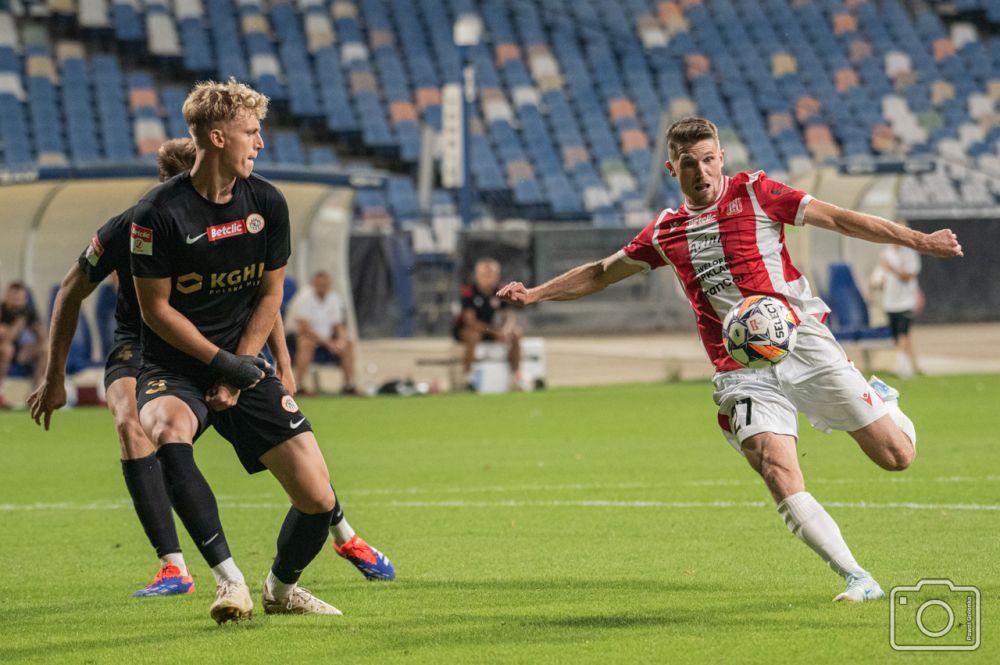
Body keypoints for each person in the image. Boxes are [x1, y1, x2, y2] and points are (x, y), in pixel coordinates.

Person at [498, 117, 962, 602]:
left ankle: (880, 399)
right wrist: (535, 295)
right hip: (740, 369)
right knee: (774, 465)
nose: (701, 172)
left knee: (896, 457)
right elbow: (600, 273)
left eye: (708, 159)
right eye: (688, 164)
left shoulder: (758, 194)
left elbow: (841, 218)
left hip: (802, 342)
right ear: (672, 169)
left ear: (721, 158)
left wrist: (920, 240)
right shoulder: (665, 232)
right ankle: (857, 576)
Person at [129, 80, 393, 623]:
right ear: (218, 137)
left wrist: (241, 367)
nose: (261, 143)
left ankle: (280, 589)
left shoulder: (267, 201)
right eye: (252, 132)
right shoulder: (156, 213)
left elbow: (271, 293)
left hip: (241, 359)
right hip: (173, 365)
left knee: (318, 497)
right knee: (167, 429)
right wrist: (220, 365)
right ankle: (231, 584)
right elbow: (156, 311)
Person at [453, 258, 521, 389]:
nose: (488, 278)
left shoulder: (501, 291)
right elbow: (470, 321)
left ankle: (516, 377)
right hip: (467, 329)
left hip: (491, 330)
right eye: (485, 275)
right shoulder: (469, 291)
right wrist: (496, 332)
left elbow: (509, 315)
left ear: (497, 276)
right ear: (477, 276)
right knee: (473, 336)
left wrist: (505, 330)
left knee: (516, 334)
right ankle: (468, 378)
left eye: (491, 275)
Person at [286, 271, 357, 394]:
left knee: (348, 344)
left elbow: (338, 325)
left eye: (325, 285)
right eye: (320, 285)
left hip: (326, 340)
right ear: (314, 284)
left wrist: (341, 340)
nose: (323, 288)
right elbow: (304, 328)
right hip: (299, 338)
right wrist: (329, 343)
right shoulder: (304, 297)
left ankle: (349, 385)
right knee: (305, 343)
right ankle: (299, 385)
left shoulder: (333, 298)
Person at [0, 282, 48, 405]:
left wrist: (38, 329)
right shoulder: (2, 310)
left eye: (20, 298)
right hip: (3, 351)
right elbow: (7, 338)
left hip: (20, 352)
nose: (17, 302)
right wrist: (19, 323)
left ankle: (36, 392)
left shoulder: (28, 311)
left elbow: (43, 338)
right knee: (7, 349)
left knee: (44, 350)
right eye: (14, 298)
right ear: (7, 297)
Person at [879, 244, 923, 378]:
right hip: (890, 302)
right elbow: (880, 276)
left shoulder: (910, 254)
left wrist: (893, 269)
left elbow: (908, 276)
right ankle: (910, 367)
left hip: (906, 301)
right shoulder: (886, 252)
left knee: (903, 334)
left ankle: (899, 367)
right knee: (898, 337)